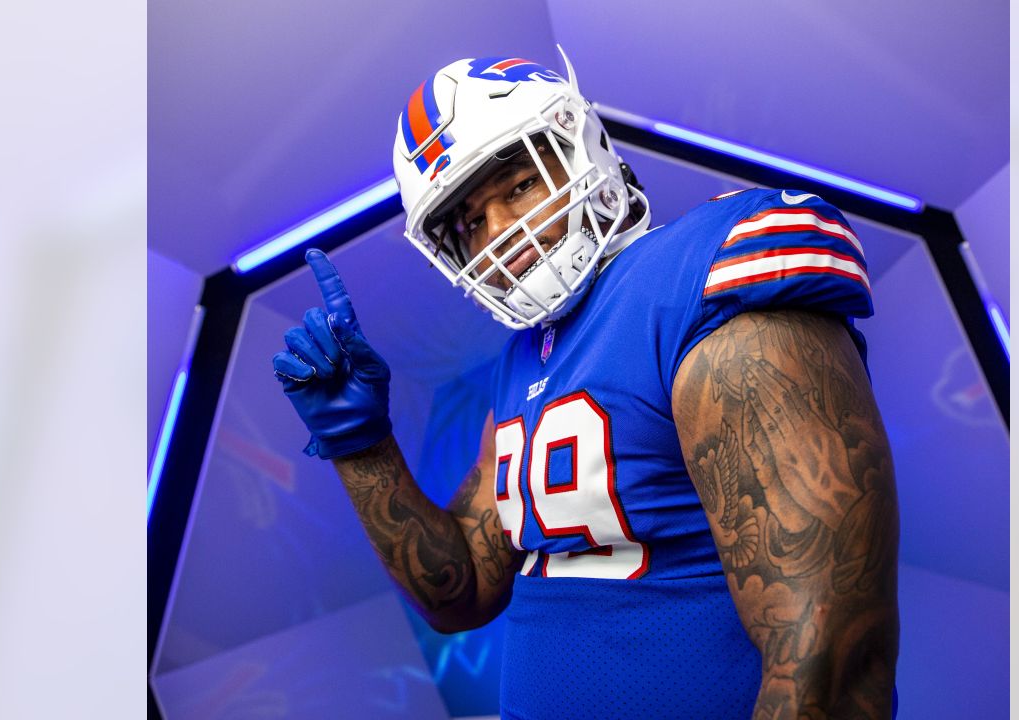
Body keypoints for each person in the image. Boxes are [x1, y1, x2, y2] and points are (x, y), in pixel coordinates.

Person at [273, 51, 899, 719]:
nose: (497, 234)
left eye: (517, 187)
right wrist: (359, 443)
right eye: (469, 223)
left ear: (581, 147)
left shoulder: (696, 281)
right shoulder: (524, 359)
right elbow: (463, 589)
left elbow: (830, 653)